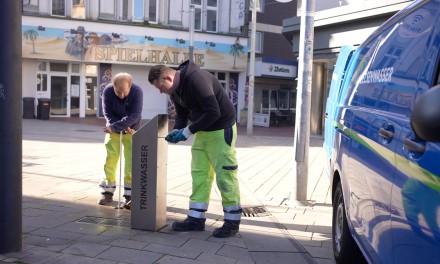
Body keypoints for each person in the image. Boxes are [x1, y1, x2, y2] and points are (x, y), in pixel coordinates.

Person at [148, 61, 242, 238]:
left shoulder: (197, 79)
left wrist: (188, 131)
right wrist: (178, 129)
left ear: (169, 77)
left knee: (225, 175)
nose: (161, 91)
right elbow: (182, 114)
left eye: (161, 86)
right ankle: (196, 219)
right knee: (199, 174)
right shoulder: (174, 89)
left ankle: (232, 222)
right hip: (202, 130)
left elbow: (213, 112)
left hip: (221, 129)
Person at [99, 72, 143, 210]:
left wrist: (125, 127)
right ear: (113, 87)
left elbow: (135, 114)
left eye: (124, 92)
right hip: (113, 128)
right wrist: (115, 127)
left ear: (130, 86)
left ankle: (129, 196)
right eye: (118, 92)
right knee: (110, 160)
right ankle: (107, 192)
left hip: (131, 129)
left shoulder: (137, 91)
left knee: (130, 161)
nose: (122, 95)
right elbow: (108, 113)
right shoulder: (107, 91)